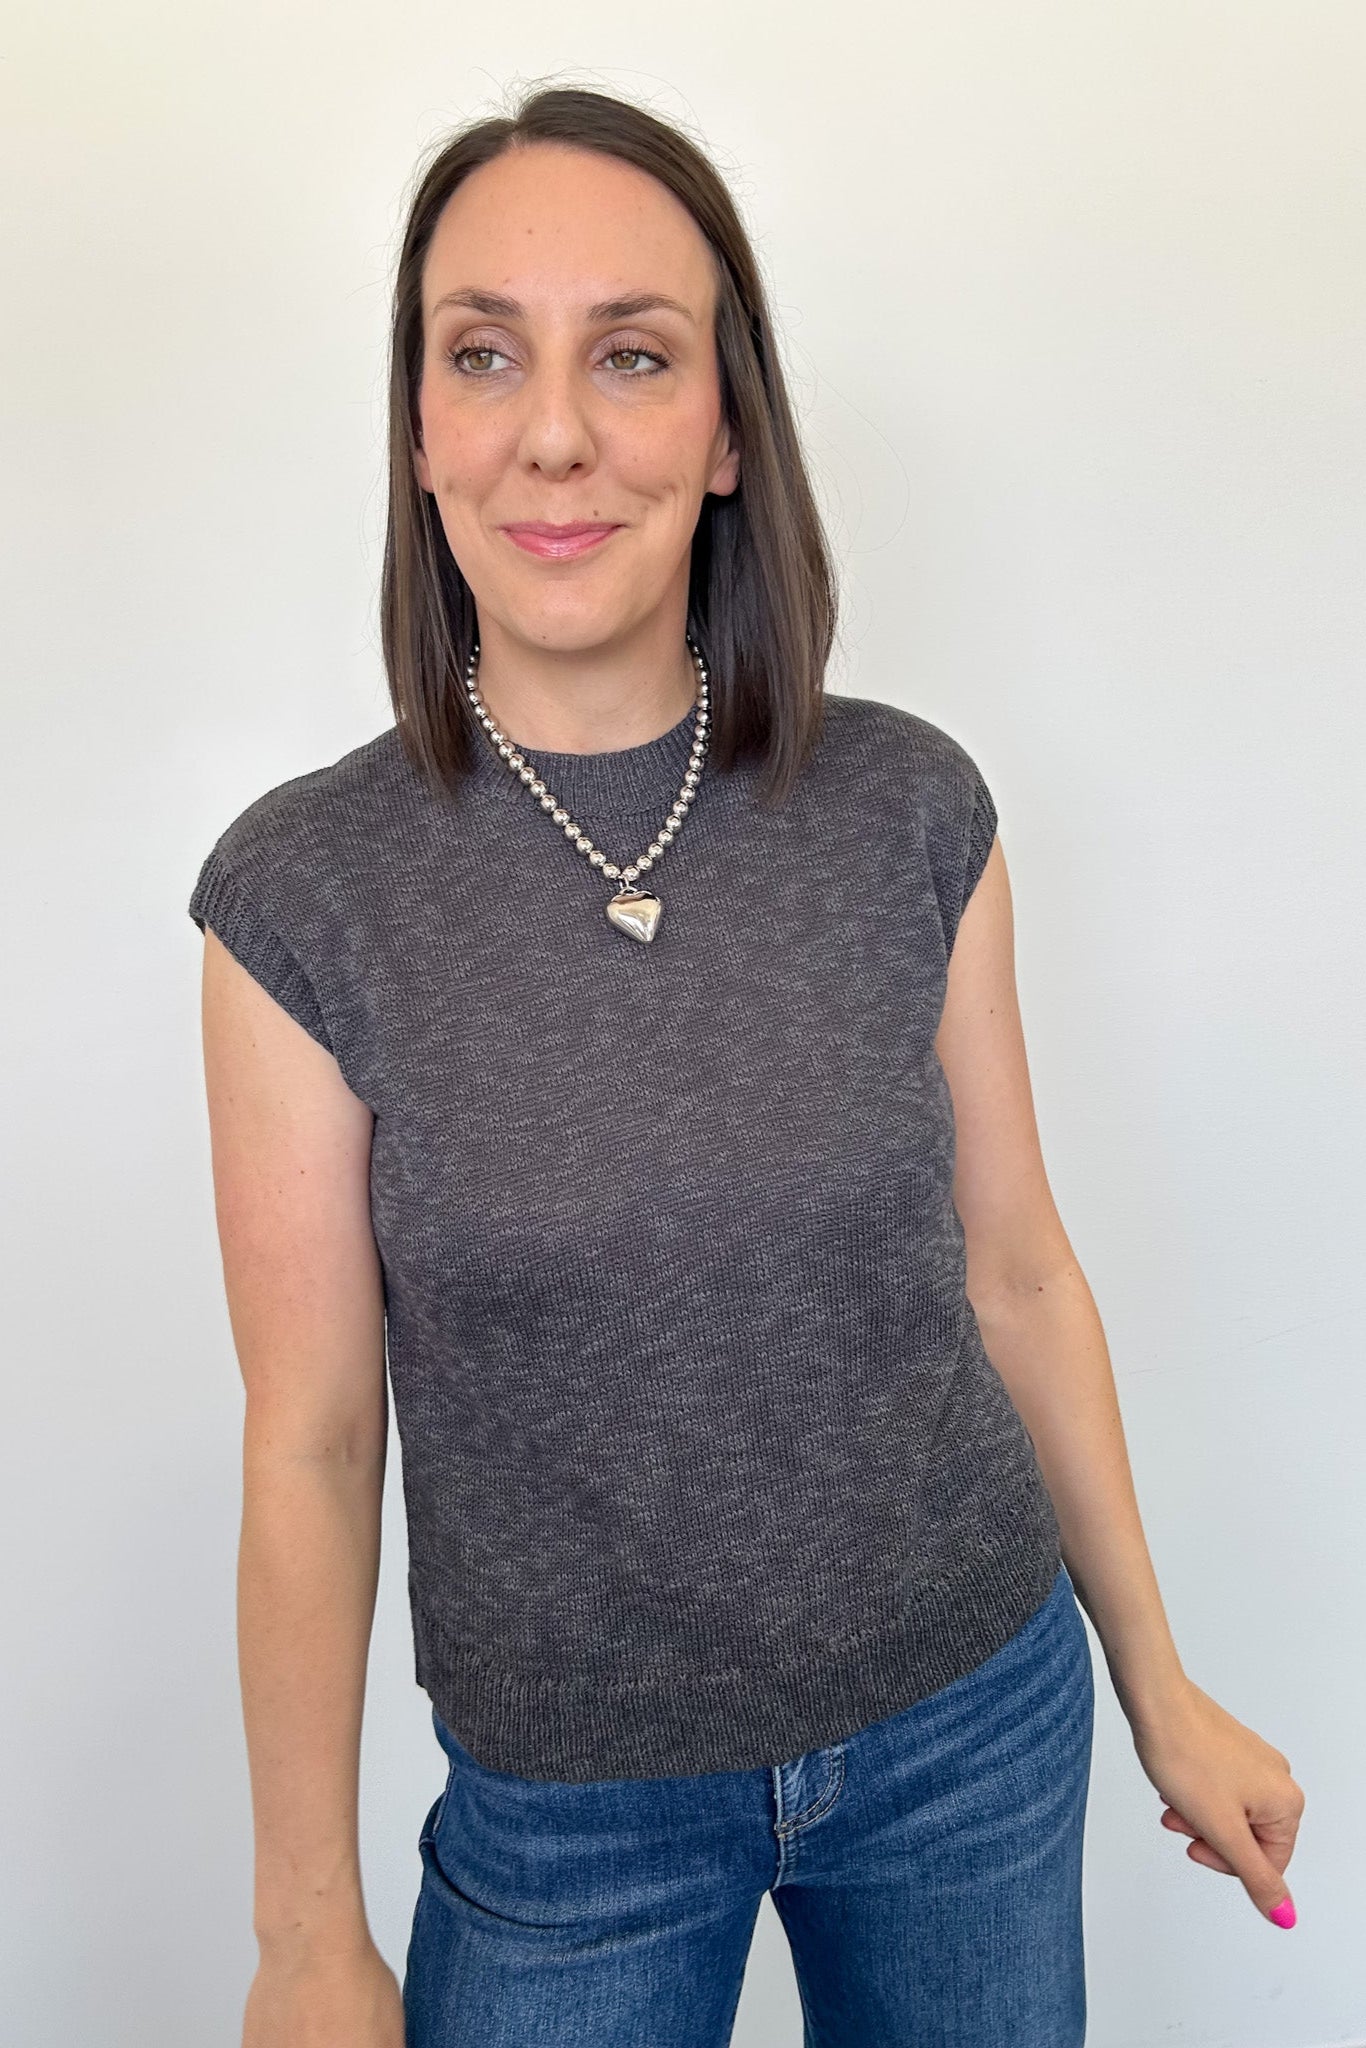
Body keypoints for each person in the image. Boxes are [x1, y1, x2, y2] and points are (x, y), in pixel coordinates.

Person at [188, 84, 1304, 2048]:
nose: (553, 432)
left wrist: (1159, 1682)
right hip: (569, 1822)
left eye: (630, 355)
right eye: (482, 355)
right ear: (418, 430)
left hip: (970, 1732)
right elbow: (312, 1438)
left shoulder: (907, 808)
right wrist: (304, 1936)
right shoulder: (303, 896)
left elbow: (1017, 1273)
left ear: (724, 432)